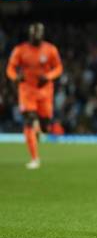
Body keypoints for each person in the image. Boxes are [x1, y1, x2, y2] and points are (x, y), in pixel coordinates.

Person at [6, 22, 63, 169]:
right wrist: (15, 77)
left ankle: (40, 129)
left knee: (45, 126)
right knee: (29, 120)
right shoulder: (20, 50)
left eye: (39, 34)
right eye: (34, 33)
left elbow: (58, 68)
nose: (36, 36)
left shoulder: (50, 50)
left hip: (45, 92)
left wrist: (48, 76)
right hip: (27, 91)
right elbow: (10, 68)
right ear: (30, 34)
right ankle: (34, 158)